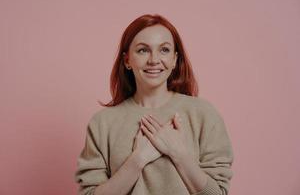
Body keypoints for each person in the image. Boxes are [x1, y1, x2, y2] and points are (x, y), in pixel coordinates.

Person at [74, 14, 234, 195]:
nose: (154, 60)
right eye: (143, 50)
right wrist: (138, 160)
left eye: (164, 50)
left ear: (174, 59)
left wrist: (178, 153)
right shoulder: (102, 123)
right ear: (127, 60)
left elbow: (217, 193)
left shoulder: (204, 114)